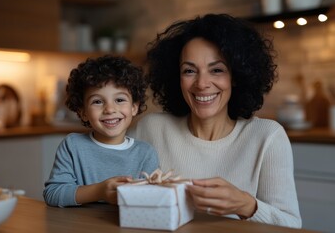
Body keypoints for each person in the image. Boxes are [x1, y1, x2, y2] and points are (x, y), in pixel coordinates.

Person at [129, 13, 302, 228]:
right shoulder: (151, 129)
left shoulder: (267, 137)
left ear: (236, 76)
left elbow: (292, 225)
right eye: (189, 70)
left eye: (217, 70)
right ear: (177, 78)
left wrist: (246, 205)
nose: (202, 83)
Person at [43, 56, 159, 207]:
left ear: (134, 107)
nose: (110, 109)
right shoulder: (73, 146)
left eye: (119, 100)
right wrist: (99, 191)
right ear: (83, 112)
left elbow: (154, 199)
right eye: (97, 101)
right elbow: (53, 193)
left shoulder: (145, 153)